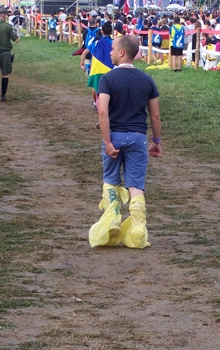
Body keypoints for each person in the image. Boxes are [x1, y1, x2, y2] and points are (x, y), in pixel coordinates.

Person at [89, 35, 161, 249]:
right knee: (136, 185)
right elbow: (155, 116)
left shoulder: (107, 79)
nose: (109, 52)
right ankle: (138, 230)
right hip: (138, 138)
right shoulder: (147, 80)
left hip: (115, 136)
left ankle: (112, 220)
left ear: (121, 53)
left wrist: (107, 141)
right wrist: (156, 141)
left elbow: (103, 112)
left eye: (112, 49)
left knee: (111, 180)